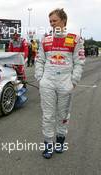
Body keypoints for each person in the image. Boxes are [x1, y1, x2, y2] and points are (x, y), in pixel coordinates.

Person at [35, 8, 85, 159]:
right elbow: (39, 61)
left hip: (65, 83)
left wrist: (74, 81)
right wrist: (40, 78)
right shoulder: (45, 39)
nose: (52, 24)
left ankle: (60, 141)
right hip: (47, 82)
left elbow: (79, 62)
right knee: (48, 115)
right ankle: (48, 144)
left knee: (63, 114)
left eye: (54, 20)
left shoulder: (75, 39)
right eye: (50, 21)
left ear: (63, 21)